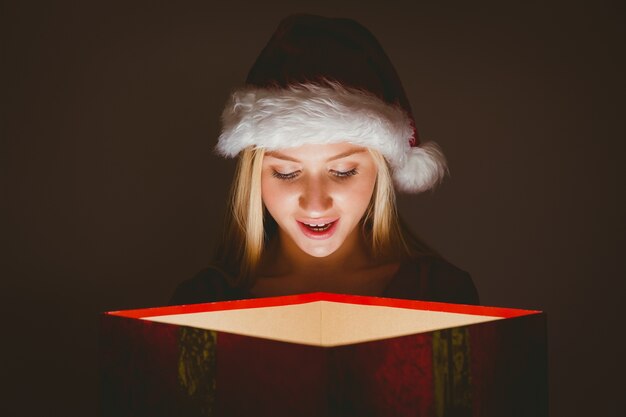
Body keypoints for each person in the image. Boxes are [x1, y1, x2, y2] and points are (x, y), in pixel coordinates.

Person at [170, 14, 479, 306]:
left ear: (379, 169)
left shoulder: (441, 295)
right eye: (287, 173)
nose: (315, 205)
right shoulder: (201, 304)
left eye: (343, 171)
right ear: (254, 176)